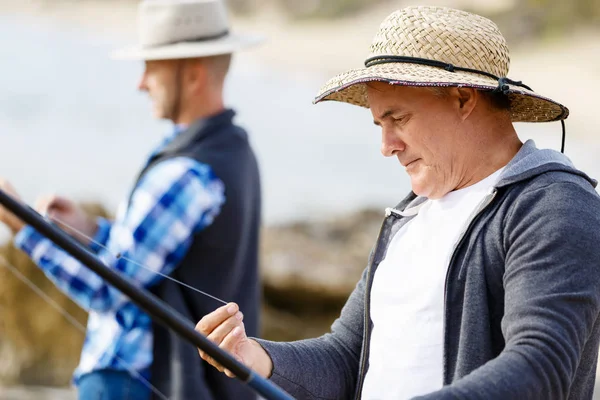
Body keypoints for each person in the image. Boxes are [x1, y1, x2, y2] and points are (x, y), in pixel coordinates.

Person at [194, 5, 600, 400]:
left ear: (462, 98)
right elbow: (348, 357)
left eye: (399, 119)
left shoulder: (554, 205)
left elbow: (540, 369)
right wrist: (255, 357)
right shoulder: (410, 215)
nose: (387, 147)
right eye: (379, 125)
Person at [0, 0, 264, 399]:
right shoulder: (235, 152)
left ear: (192, 74)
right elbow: (154, 261)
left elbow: (108, 288)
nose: (140, 83)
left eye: (151, 68)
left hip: (136, 384)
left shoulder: (186, 173)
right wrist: (93, 231)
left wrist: (20, 224)